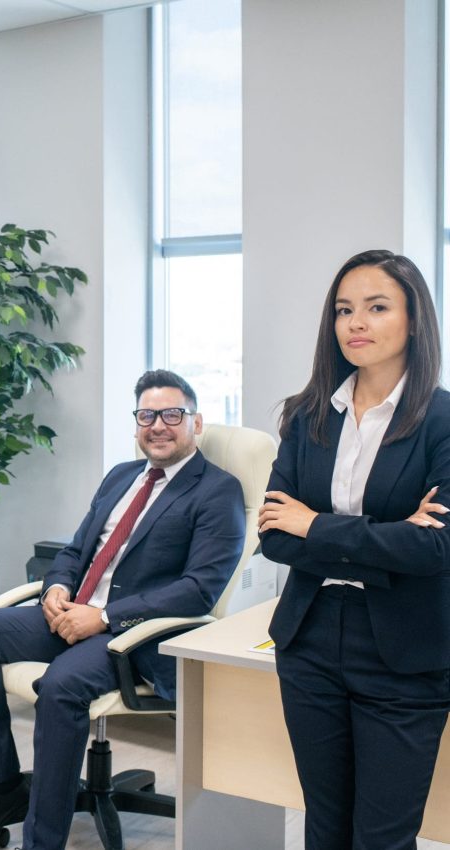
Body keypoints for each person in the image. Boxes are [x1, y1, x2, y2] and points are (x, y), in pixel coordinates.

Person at [0, 370, 245, 850]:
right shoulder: (122, 476)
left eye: (172, 414)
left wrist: (104, 617)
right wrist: (56, 589)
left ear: (196, 423)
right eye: (147, 415)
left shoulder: (218, 491)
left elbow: (198, 591)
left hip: (133, 635)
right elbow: (75, 547)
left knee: (61, 685)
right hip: (73, 616)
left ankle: (43, 842)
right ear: (136, 423)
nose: (158, 425)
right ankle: (2, 788)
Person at [258, 250, 450, 850]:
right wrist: (388, 538)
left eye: (376, 307)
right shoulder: (308, 414)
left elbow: (437, 549)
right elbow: (271, 536)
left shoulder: (442, 420)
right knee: (324, 825)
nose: (355, 323)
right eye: (344, 310)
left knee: (382, 839)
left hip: (404, 651)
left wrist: (314, 525)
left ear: (414, 320)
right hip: (310, 640)